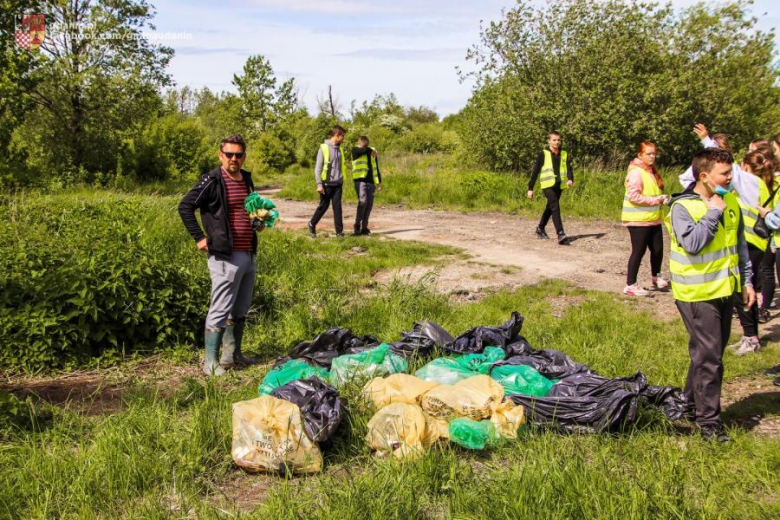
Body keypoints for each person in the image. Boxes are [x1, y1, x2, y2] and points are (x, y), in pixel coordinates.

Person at [667, 148, 755, 443]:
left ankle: (688, 404)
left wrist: (747, 281)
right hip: (696, 293)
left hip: (725, 289)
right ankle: (709, 423)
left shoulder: (730, 200)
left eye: (730, 173)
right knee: (710, 358)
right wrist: (713, 211)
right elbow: (692, 243)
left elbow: (739, 244)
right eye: (725, 174)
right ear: (704, 176)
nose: (731, 178)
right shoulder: (683, 207)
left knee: (708, 353)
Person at [178, 134, 262, 376]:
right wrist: (199, 237)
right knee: (221, 307)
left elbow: (247, 208)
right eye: (229, 154)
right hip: (224, 255)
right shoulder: (212, 180)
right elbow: (185, 206)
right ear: (220, 155)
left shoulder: (245, 178)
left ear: (244, 156)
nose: (234, 159)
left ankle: (232, 355)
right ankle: (210, 363)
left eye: (238, 154)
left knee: (240, 307)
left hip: (247, 251)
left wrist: (257, 221)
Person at [621, 141, 669, 296]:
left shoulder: (650, 171)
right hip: (638, 219)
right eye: (649, 154)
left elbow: (650, 192)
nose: (653, 156)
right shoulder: (636, 172)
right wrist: (656, 200)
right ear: (640, 155)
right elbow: (633, 196)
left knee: (658, 250)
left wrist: (661, 198)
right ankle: (630, 284)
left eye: (654, 153)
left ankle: (656, 276)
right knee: (638, 251)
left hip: (653, 218)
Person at [527, 131, 574, 245]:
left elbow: (568, 168)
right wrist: (530, 188)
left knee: (550, 207)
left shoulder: (564, 153)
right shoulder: (543, 154)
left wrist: (570, 178)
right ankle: (560, 233)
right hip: (547, 185)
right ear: (549, 141)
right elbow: (535, 171)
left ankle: (540, 228)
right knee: (555, 206)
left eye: (558, 140)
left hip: (559, 185)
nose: (557, 142)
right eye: (554, 140)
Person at [309, 125, 347, 237]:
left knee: (337, 207)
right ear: (337, 135)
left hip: (338, 183)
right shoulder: (324, 148)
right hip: (326, 184)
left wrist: (340, 179)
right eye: (342, 136)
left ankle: (339, 232)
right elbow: (318, 168)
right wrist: (319, 184)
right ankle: (311, 224)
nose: (343, 139)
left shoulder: (340, 149)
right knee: (323, 206)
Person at [351, 135, 382, 236]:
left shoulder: (372, 152)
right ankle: (357, 225)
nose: (364, 143)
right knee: (363, 202)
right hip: (360, 181)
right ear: (359, 142)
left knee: (369, 206)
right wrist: (370, 149)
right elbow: (362, 151)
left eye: (366, 141)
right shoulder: (355, 150)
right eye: (362, 141)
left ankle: (364, 227)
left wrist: (378, 182)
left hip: (371, 182)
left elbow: (376, 167)